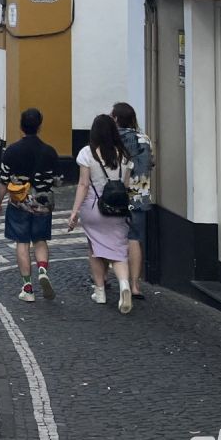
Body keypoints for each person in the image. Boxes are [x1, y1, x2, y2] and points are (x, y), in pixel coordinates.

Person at [67, 113, 136, 313]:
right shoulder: (124, 155)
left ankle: (100, 292)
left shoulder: (87, 153)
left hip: (94, 208)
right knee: (119, 250)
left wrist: (74, 212)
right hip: (118, 209)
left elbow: (83, 184)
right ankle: (124, 284)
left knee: (95, 249)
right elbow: (124, 185)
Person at [0, 107, 60, 302]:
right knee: (40, 240)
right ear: (40, 126)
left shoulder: (11, 151)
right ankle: (42, 269)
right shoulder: (50, 151)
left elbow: (3, 181)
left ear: (21, 127)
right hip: (43, 204)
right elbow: (57, 180)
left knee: (22, 243)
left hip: (19, 204)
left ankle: (28, 287)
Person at [112, 102, 154, 299]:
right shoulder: (144, 139)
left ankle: (105, 280)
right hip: (140, 196)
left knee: (110, 239)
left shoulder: (113, 139)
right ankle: (135, 285)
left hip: (116, 197)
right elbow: (150, 164)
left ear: (116, 118)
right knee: (135, 239)